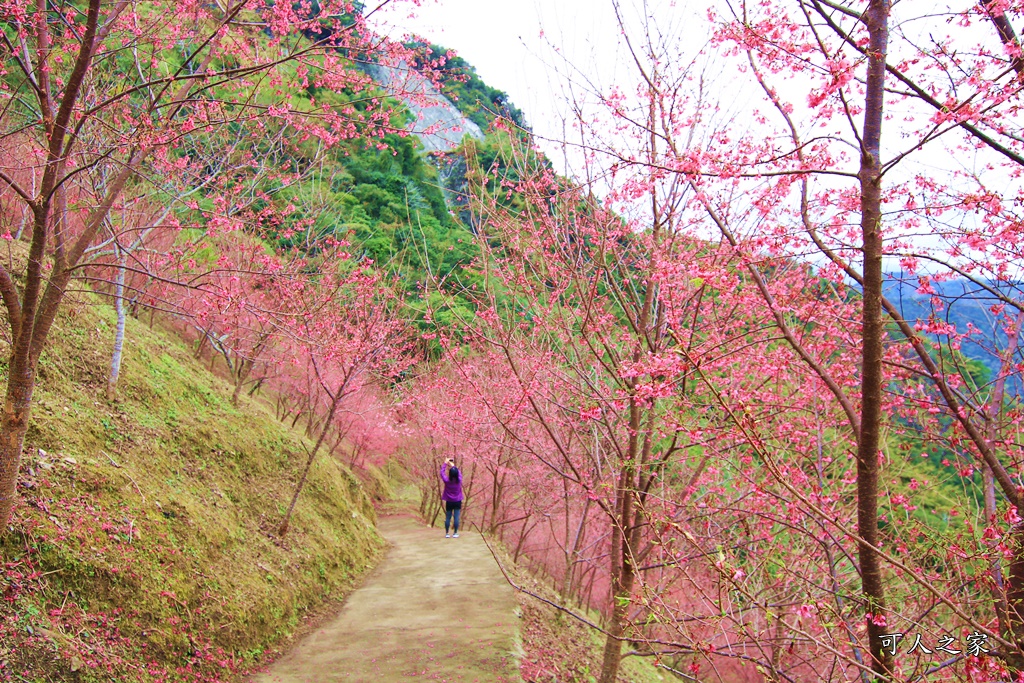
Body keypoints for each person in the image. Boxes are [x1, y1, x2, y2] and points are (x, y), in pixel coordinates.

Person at [440, 457, 463, 538]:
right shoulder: (459, 480)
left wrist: (445, 463)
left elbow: (442, 473)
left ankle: (447, 533)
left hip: (449, 501)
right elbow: (459, 473)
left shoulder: (447, 480)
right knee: (456, 517)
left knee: (448, 517)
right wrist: (453, 466)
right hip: (457, 501)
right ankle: (455, 533)